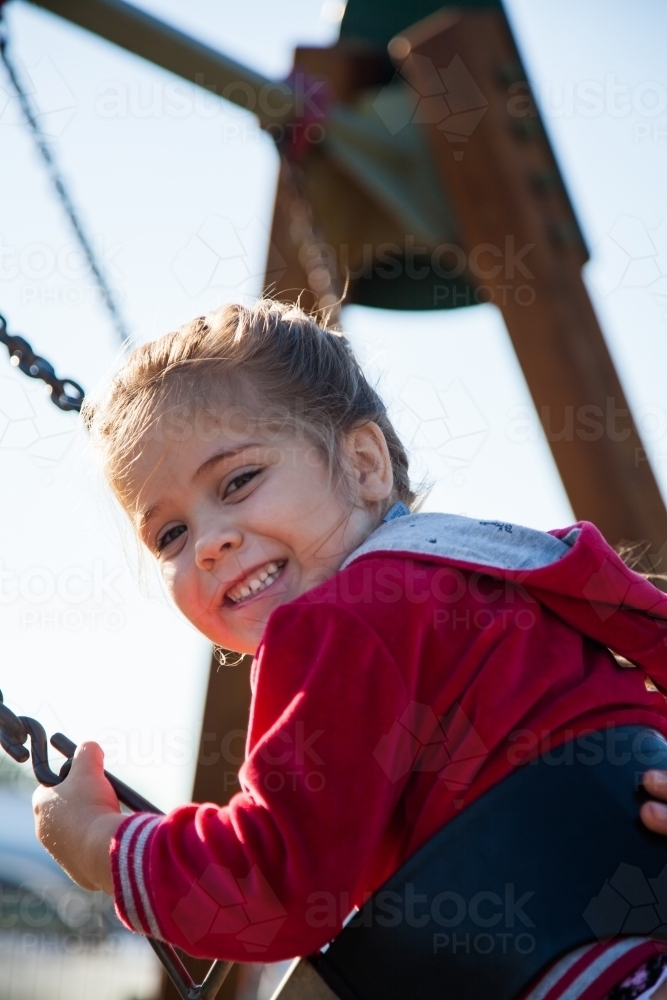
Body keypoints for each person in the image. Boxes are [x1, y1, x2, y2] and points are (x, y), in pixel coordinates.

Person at [32, 300, 667, 1000]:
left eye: (239, 481)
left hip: (574, 965)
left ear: (363, 463)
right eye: (170, 536)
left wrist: (104, 847)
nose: (209, 541)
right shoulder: (505, 559)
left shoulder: (338, 623)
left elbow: (277, 887)